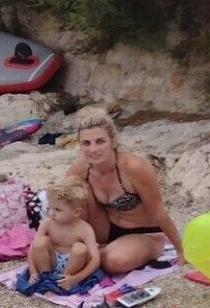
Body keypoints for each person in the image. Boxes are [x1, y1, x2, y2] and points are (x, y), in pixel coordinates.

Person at [65, 109, 182, 277]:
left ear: (113, 142)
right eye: (86, 143)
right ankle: (86, 246)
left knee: (113, 261)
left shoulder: (134, 167)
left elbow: (159, 212)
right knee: (74, 189)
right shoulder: (80, 169)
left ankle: (104, 253)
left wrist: (180, 249)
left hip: (145, 233)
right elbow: (65, 205)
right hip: (106, 230)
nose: (93, 149)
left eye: (100, 141)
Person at [20, 176, 102, 291]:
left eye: (57, 210)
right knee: (39, 242)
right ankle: (46, 277)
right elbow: (32, 249)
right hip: (51, 260)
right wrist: (33, 271)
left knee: (80, 248)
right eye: (50, 208)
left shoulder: (84, 229)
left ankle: (65, 279)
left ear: (76, 212)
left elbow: (95, 259)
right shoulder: (47, 223)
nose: (52, 213)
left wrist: (76, 278)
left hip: (73, 264)